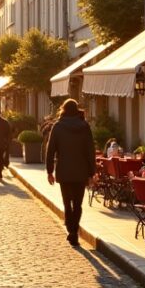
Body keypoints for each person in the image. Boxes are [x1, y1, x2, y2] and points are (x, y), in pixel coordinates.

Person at [45, 99, 94, 247]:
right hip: (81, 170)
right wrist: (92, 172)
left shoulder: (58, 126)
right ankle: (74, 232)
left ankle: (71, 231)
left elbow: (50, 149)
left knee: (67, 203)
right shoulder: (84, 126)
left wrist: (49, 171)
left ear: (63, 110)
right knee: (78, 204)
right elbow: (90, 150)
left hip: (64, 170)